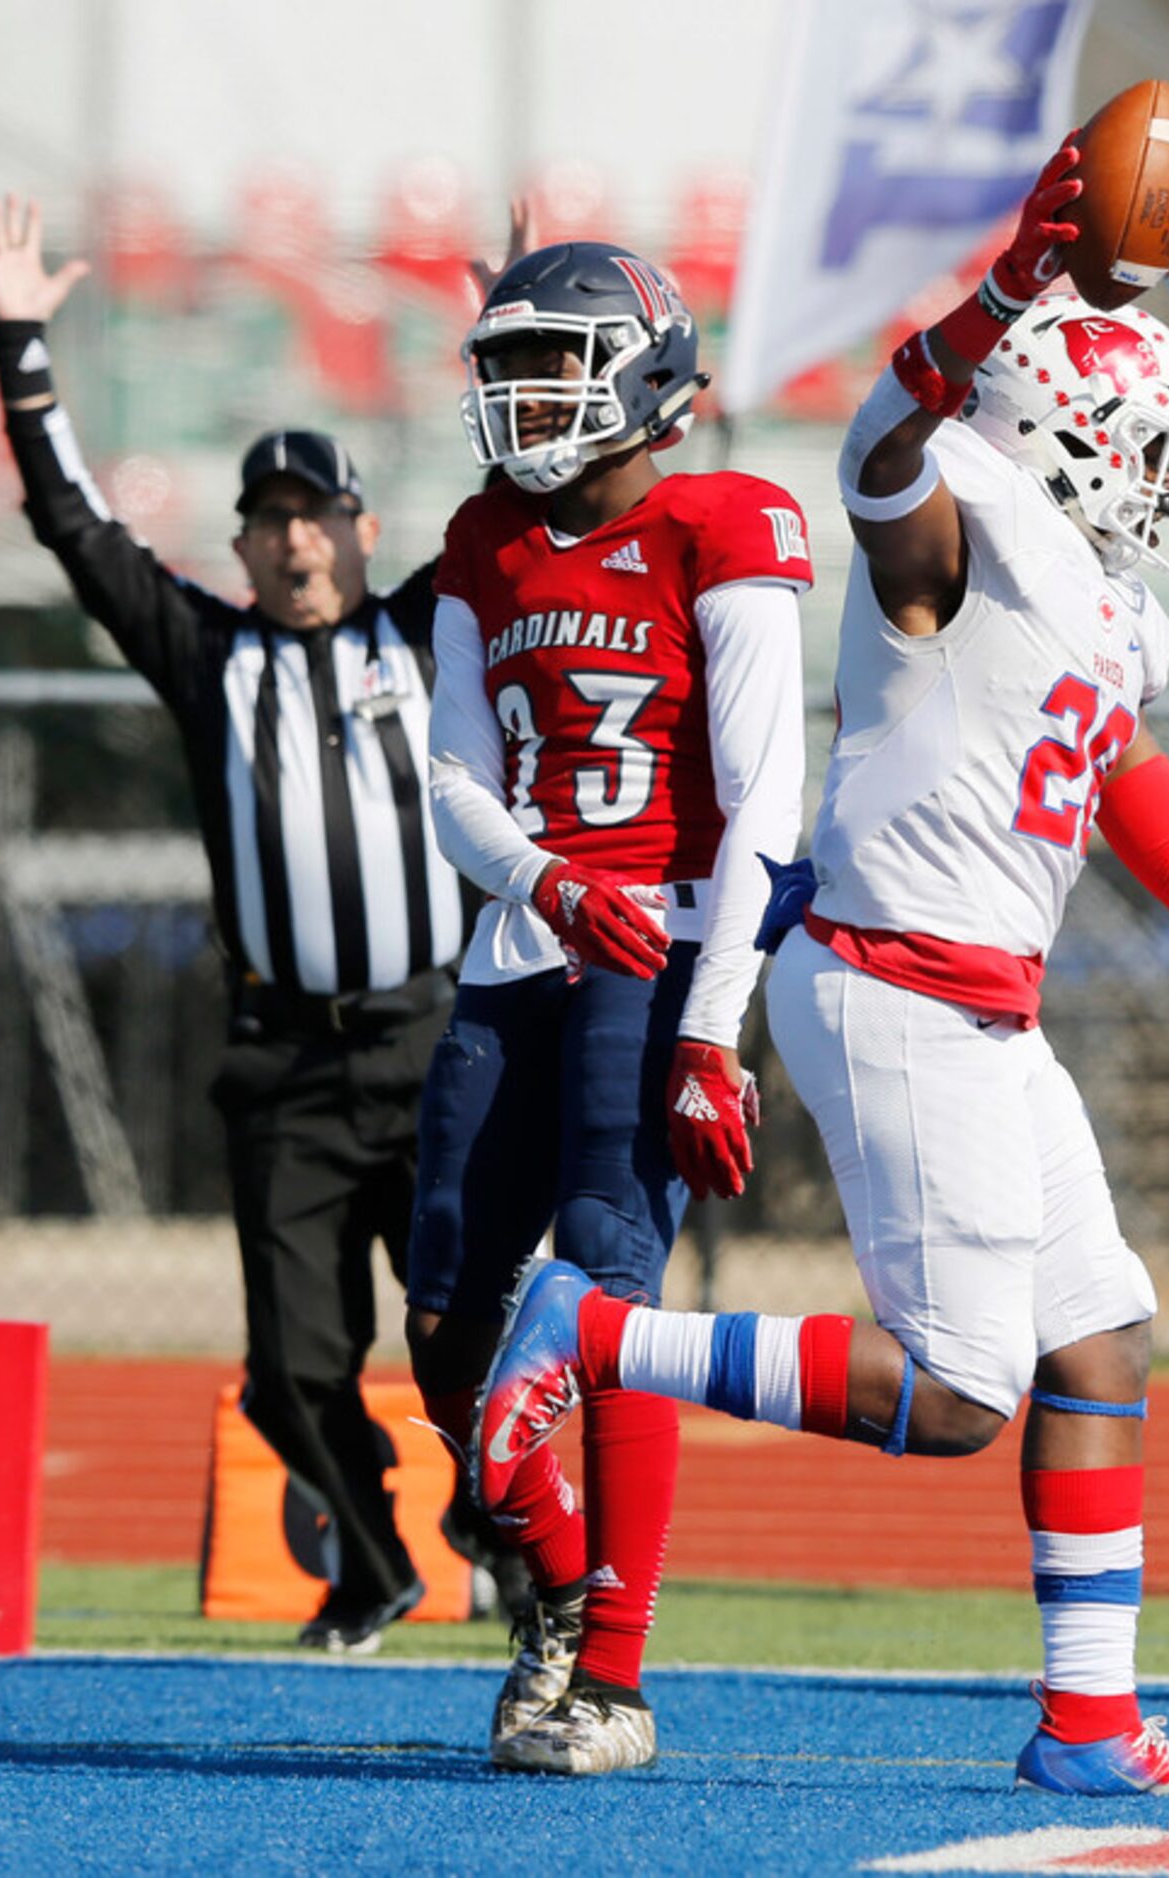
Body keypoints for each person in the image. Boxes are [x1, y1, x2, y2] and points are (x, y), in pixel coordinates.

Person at [468, 137, 1169, 1798]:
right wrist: (1017, 282)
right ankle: (588, 1329)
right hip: (891, 981)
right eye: (1155, 439)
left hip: (985, 1005)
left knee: (1102, 1337)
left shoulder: (1107, 612)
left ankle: (1087, 1723)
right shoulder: (967, 529)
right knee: (960, 1394)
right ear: (1076, 434)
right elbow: (882, 447)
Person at [0, 196, 479, 1652]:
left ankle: (513, 1543)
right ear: (245, 545)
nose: (296, 539)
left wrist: (523, 327)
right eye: (270, 520)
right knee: (285, 1369)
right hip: (286, 1062)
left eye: (317, 513)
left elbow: (512, 518)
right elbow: (72, 525)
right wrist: (21, 339)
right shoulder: (210, 656)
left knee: (468, 1334)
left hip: (434, 1036)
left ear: (362, 528)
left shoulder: (422, 628)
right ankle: (374, 1554)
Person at [405, 239, 813, 1776]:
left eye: (550, 366)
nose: (520, 400)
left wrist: (714, 1023)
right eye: (503, 368)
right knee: (446, 1316)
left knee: (612, 1295)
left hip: (669, 944)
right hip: (525, 947)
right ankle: (563, 1587)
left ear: (646, 373)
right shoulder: (482, 541)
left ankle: (618, 1678)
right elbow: (452, 773)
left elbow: (771, 789)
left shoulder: (725, 519)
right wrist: (546, 880)